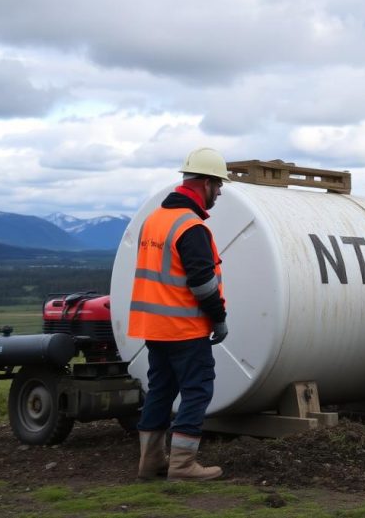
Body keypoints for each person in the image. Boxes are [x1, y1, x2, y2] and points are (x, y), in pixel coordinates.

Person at [128, 147, 232, 481]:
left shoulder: (154, 219)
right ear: (203, 183)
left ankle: (150, 461)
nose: (219, 192)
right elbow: (201, 282)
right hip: (185, 327)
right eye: (217, 185)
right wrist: (219, 318)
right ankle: (183, 465)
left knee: (160, 390)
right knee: (198, 389)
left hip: (154, 327)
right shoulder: (191, 226)